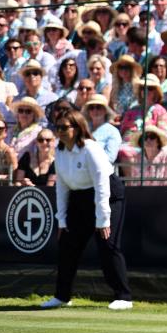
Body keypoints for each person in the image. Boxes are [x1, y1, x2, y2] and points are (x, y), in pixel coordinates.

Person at [40, 110, 132, 311]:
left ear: (78, 127)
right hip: (79, 198)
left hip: (109, 196)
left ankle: (123, 296)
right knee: (67, 245)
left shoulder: (91, 149)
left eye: (65, 127)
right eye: (58, 128)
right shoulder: (60, 151)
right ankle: (62, 296)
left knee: (107, 243)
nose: (60, 132)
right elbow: (61, 186)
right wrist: (62, 221)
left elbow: (102, 185)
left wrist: (103, 220)